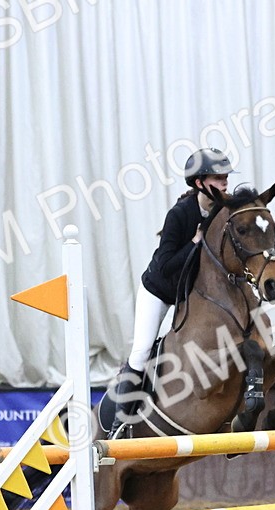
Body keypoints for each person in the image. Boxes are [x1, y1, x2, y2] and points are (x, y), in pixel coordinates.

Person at [112, 147, 235, 428]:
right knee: (142, 351)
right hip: (160, 290)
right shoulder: (179, 214)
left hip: (190, 293)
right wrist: (195, 241)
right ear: (199, 182)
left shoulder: (222, 212)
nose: (225, 183)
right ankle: (119, 423)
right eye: (219, 178)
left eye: (226, 177)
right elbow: (166, 264)